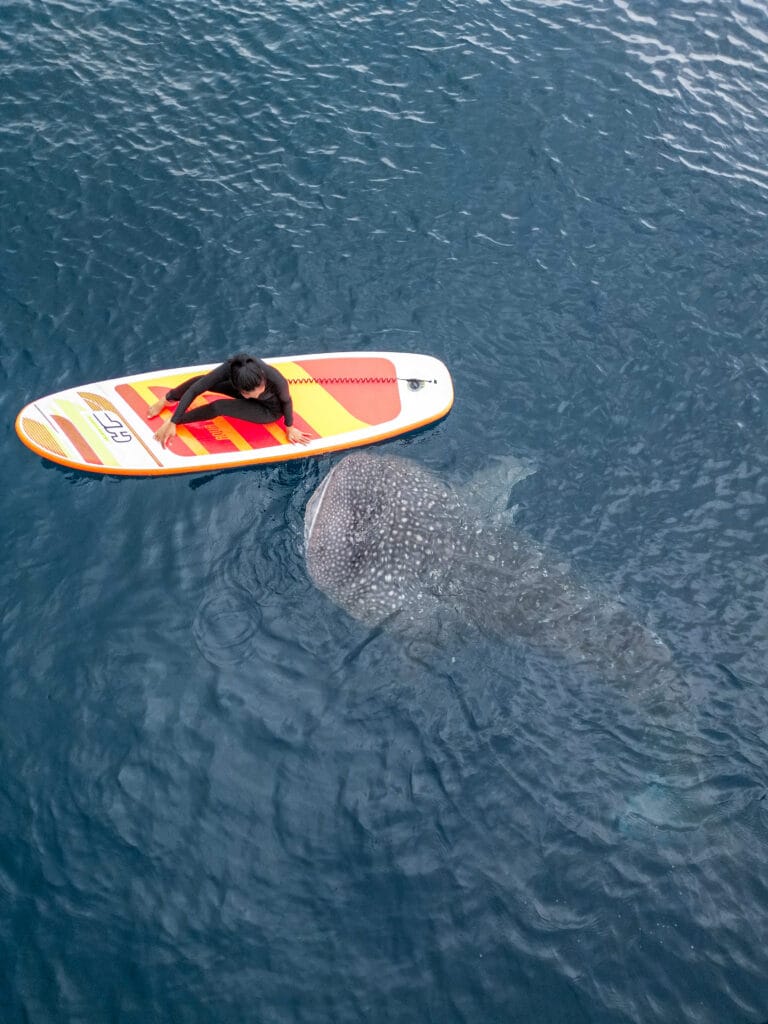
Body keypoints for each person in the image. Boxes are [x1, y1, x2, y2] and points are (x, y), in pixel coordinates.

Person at [147, 353, 311, 447]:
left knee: (219, 407)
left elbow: (287, 402)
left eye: (260, 390)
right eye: (253, 394)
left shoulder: (276, 381)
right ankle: (168, 399)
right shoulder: (234, 368)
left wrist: (289, 427)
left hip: (269, 411)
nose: (258, 394)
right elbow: (197, 388)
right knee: (200, 380)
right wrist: (170, 405)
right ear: (241, 389)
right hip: (243, 390)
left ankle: (176, 422)